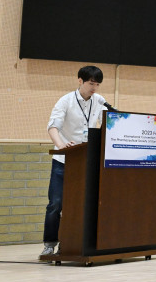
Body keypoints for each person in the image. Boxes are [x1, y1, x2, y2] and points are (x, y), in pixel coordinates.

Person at [41, 65, 110, 256]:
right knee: (56, 203)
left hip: (86, 161)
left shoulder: (99, 101)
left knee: (82, 204)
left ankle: (72, 244)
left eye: (97, 84)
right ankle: (49, 244)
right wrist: (61, 146)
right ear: (80, 81)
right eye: (91, 83)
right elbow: (53, 127)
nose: (94, 88)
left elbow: (108, 124)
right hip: (64, 160)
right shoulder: (66, 101)